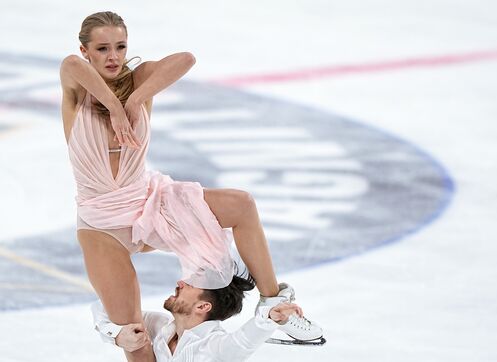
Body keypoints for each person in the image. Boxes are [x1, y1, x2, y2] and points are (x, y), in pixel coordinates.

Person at [60, 11, 322, 361]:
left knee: (241, 205)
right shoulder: (77, 89)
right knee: (134, 338)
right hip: (103, 226)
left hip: (149, 205)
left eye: (120, 47)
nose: (113, 56)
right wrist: (113, 106)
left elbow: (185, 59)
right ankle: (228, 264)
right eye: (103, 48)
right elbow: (70, 65)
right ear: (86, 50)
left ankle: (273, 299)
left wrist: (135, 100)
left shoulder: (139, 81)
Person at [92, 275, 305, 361]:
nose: (181, 283)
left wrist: (269, 319)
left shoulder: (213, 346)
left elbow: (241, 343)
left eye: (191, 285)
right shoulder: (158, 326)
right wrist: (117, 335)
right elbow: (103, 307)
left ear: (203, 306)